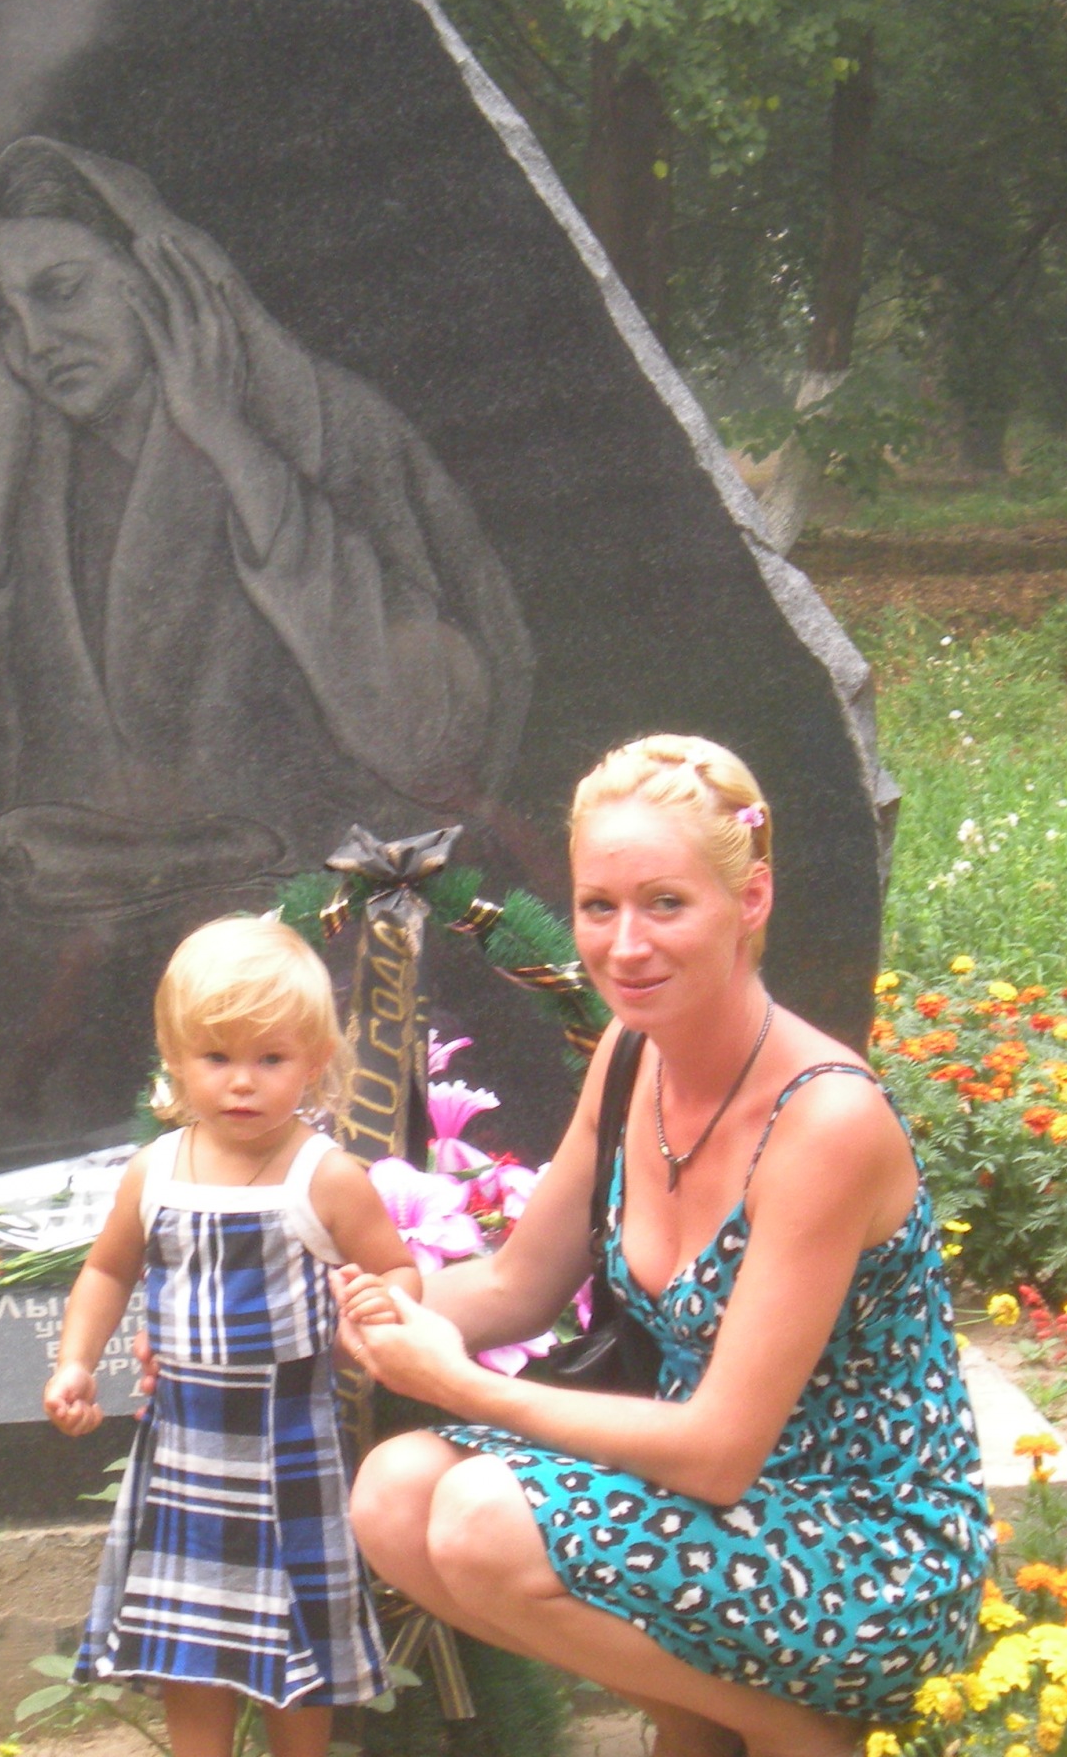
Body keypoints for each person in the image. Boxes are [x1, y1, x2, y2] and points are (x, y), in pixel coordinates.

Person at [332, 736, 991, 1757]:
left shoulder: (826, 1123)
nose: (625, 945)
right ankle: (701, 1728)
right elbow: (513, 1287)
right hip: (707, 1514)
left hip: (865, 1550)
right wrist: (329, 1306)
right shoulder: (631, 1057)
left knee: (476, 1518)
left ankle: (803, 1742)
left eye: (665, 904)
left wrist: (460, 1386)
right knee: (392, 1494)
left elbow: (722, 1451)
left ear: (751, 898)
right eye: (598, 907)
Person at [0, 135, 533, 925]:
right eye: (3, 316)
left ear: (163, 275)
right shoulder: (13, 489)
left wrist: (233, 448)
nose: (33, 342)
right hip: (81, 957)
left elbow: (437, 744)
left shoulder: (331, 430)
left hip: (316, 948)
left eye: (61, 291)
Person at [45, 915, 422, 1757]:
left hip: (288, 1447)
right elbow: (107, 1271)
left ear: (314, 1061)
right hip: (184, 1445)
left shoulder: (323, 1177)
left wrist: (378, 1305)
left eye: (271, 1059)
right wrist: (75, 1363)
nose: (242, 1083)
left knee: (299, 1638)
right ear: (175, 1059)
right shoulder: (155, 1172)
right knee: (191, 1643)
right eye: (217, 1057)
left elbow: (397, 1268)